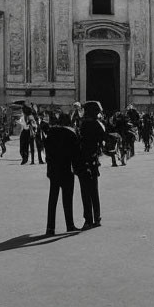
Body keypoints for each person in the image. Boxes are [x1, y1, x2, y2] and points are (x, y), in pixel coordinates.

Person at [44, 114, 80, 235]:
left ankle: (50, 228)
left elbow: (47, 152)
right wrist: (77, 169)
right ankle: (69, 225)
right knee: (67, 199)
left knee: (52, 199)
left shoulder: (51, 133)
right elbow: (76, 154)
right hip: (66, 169)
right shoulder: (71, 133)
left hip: (53, 170)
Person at [76, 101, 105, 229]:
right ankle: (97, 218)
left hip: (83, 160)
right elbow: (103, 139)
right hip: (93, 161)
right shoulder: (98, 125)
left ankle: (88, 220)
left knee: (85, 192)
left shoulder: (84, 125)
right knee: (94, 191)